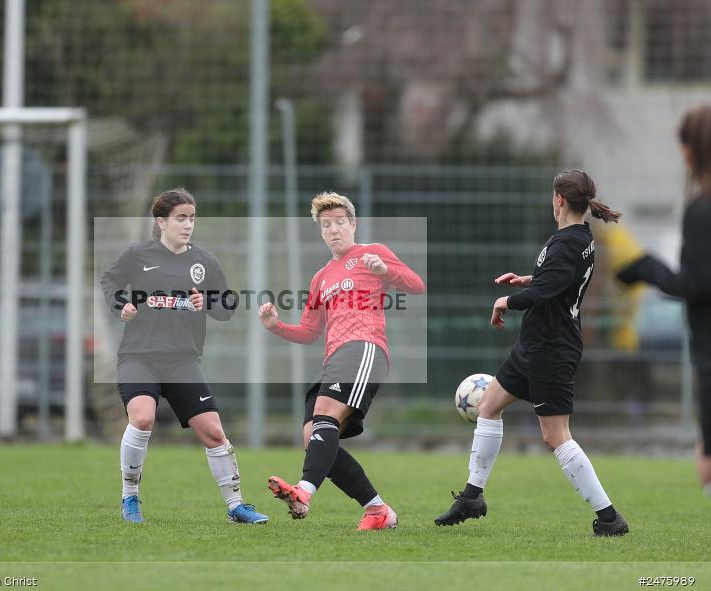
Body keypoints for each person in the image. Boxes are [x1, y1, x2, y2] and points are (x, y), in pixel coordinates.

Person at [433, 169, 627, 536]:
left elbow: (544, 293)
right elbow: (554, 283)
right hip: (535, 345)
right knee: (489, 406)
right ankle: (473, 496)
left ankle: (609, 518)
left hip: (551, 350)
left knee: (556, 436)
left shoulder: (567, 243)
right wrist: (528, 280)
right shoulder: (578, 237)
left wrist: (505, 300)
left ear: (558, 200)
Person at [100, 188, 268, 525]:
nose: (188, 225)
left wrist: (207, 303)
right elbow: (110, 281)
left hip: (182, 361)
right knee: (143, 418)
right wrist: (123, 305)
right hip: (140, 357)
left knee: (213, 432)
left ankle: (236, 505)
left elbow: (228, 306)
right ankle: (130, 498)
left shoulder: (203, 261)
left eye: (191, 218)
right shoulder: (138, 255)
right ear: (161, 222)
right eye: (180, 218)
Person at [258, 192, 425, 530]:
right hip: (334, 357)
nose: (333, 230)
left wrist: (386, 270)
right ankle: (378, 511)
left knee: (324, 415)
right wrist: (276, 326)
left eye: (339, 223)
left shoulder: (371, 253)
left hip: (364, 347)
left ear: (353, 224)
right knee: (314, 438)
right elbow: (308, 331)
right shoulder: (321, 277)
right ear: (320, 231)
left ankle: (303, 492)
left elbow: (416, 285)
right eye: (326, 225)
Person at [617, 104, 711, 497]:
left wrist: (644, 268)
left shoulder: (702, 211)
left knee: (706, 465)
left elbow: (695, 283)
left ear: (690, 152)